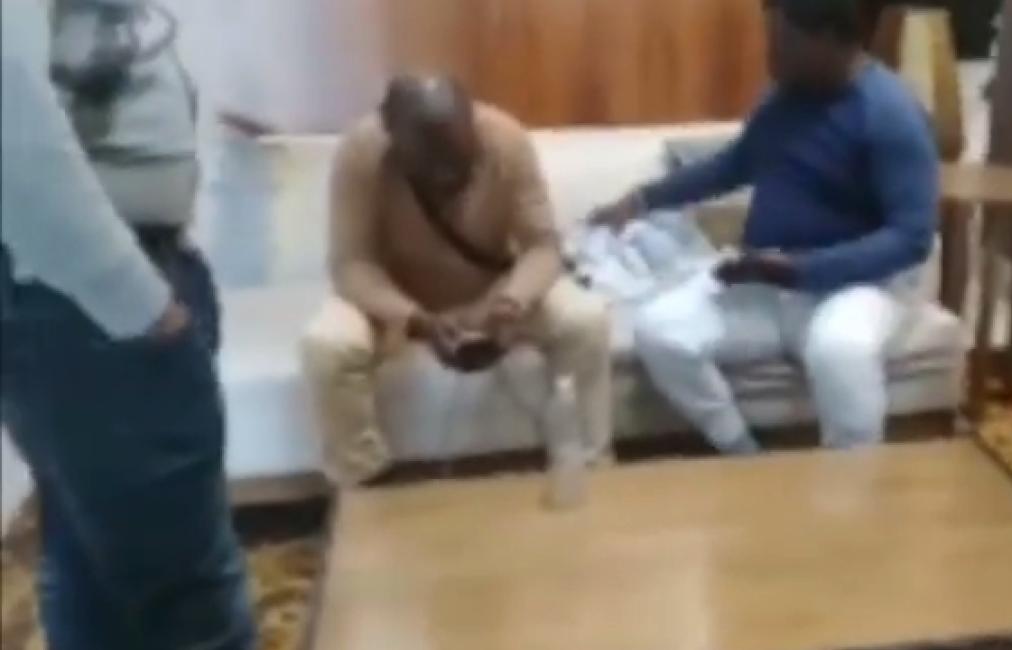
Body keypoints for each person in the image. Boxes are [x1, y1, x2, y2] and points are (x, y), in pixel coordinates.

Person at [0, 0, 256, 648]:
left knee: (94, 571)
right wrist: (133, 298)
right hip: (86, 306)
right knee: (190, 599)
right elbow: (13, 137)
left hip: (82, 299)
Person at [592, 0, 938, 454]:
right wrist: (642, 200)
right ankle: (742, 453)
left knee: (839, 349)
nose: (770, 54)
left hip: (858, 288)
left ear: (829, 39)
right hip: (768, 282)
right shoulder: (782, 99)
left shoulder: (890, 113)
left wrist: (801, 269)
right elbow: (733, 165)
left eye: (783, 40)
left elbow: (911, 238)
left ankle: (854, 478)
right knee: (660, 329)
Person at [301, 75, 613, 487]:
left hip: (492, 293)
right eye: (431, 169)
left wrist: (510, 302)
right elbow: (352, 265)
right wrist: (415, 319)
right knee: (326, 347)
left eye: (458, 165)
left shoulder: (505, 140)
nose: (447, 179)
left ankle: (588, 466)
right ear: (392, 138)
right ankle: (362, 486)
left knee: (585, 320)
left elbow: (542, 248)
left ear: (472, 124)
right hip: (395, 301)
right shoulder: (360, 152)